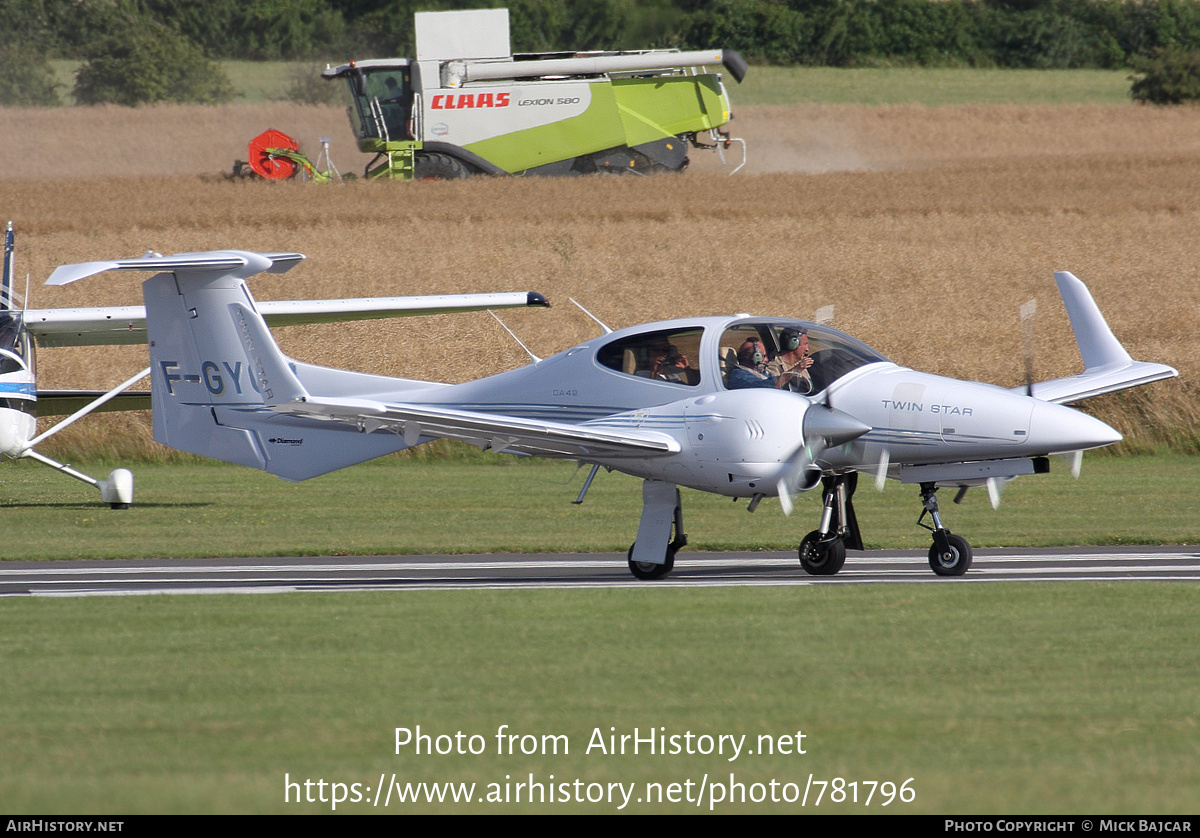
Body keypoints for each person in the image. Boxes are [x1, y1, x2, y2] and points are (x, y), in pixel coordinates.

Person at [727, 338, 798, 390]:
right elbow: (771, 385)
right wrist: (796, 369)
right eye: (763, 356)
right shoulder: (740, 376)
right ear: (755, 357)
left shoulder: (761, 372)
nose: (766, 360)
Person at [767, 327, 813, 394]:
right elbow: (773, 386)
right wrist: (796, 370)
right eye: (805, 344)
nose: (807, 349)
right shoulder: (774, 365)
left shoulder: (802, 363)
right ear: (793, 344)